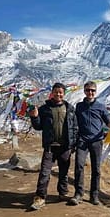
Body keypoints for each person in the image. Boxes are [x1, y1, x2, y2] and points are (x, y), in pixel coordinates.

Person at [69, 81, 110, 206]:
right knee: (79, 166)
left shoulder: (101, 107)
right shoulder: (79, 106)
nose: (90, 92)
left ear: (95, 92)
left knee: (96, 169)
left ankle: (94, 195)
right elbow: (74, 123)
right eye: (88, 90)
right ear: (84, 91)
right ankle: (78, 194)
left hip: (97, 141)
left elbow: (108, 124)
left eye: (92, 90)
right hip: (82, 140)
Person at [29, 82, 78, 210]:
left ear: (64, 93)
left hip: (65, 146)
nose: (58, 94)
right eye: (56, 92)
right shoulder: (44, 109)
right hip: (50, 147)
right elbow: (38, 126)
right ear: (52, 93)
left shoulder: (70, 108)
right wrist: (34, 118)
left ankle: (62, 193)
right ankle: (40, 197)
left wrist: (74, 144)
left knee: (64, 172)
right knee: (45, 172)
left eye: (61, 92)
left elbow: (74, 128)